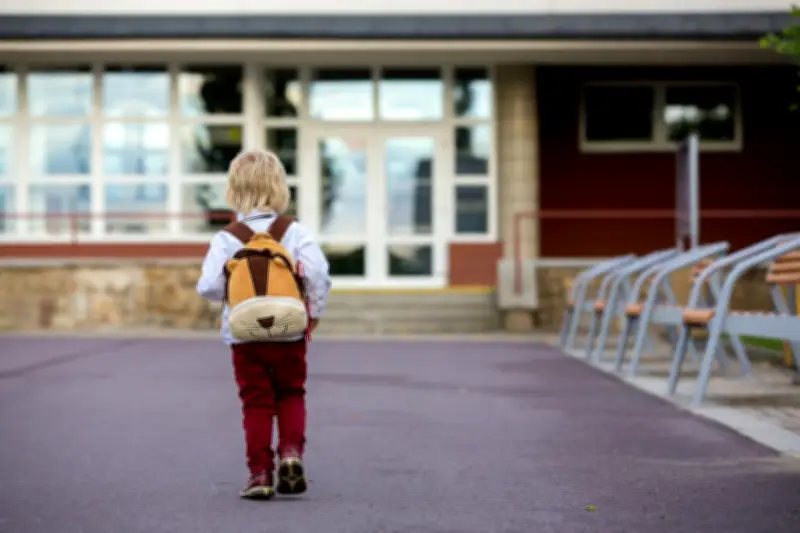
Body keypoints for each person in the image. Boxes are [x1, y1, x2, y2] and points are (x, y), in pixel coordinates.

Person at [196, 149, 331, 500]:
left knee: (255, 402)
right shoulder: (294, 232)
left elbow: (208, 287)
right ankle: (290, 453)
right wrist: (313, 313)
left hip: (245, 335)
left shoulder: (227, 237)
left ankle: (260, 474)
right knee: (291, 392)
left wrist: (235, 290)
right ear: (279, 187)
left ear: (234, 190)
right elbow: (318, 275)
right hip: (289, 331)